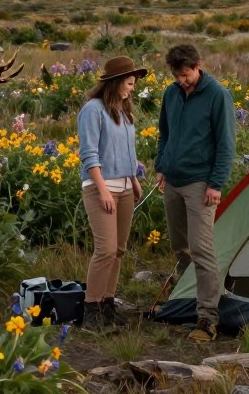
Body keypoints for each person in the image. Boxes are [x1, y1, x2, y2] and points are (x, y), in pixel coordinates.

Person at [155, 44, 236, 342]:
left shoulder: (218, 95)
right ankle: (187, 301)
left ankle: (207, 318)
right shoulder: (171, 93)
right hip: (172, 180)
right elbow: (165, 133)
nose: (181, 81)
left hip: (200, 184)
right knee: (180, 246)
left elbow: (226, 145)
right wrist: (161, 165)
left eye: (185, 75)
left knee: (201, 249)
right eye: (176, 76)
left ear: (198, 65)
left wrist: (216, 184)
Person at [77, 55, 147, 328]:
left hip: (126, 187)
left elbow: (127, 152)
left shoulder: (125, 111)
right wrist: (104, 190)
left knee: (118, 249)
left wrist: (134, 179)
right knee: (105, 249)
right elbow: (89, 154)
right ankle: (91, 308)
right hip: (100, 188)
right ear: (116, 81)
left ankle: (108, 304)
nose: (132, 87)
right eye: (129, 83)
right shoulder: (93, 110)